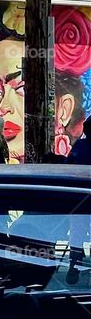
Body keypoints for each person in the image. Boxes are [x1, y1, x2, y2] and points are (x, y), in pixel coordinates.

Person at [65, 116, 91, 284]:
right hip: (82, 199)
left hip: (78, 200)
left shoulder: (79, 146)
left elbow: (66, 168)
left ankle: (74, 264)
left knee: (76, 235)